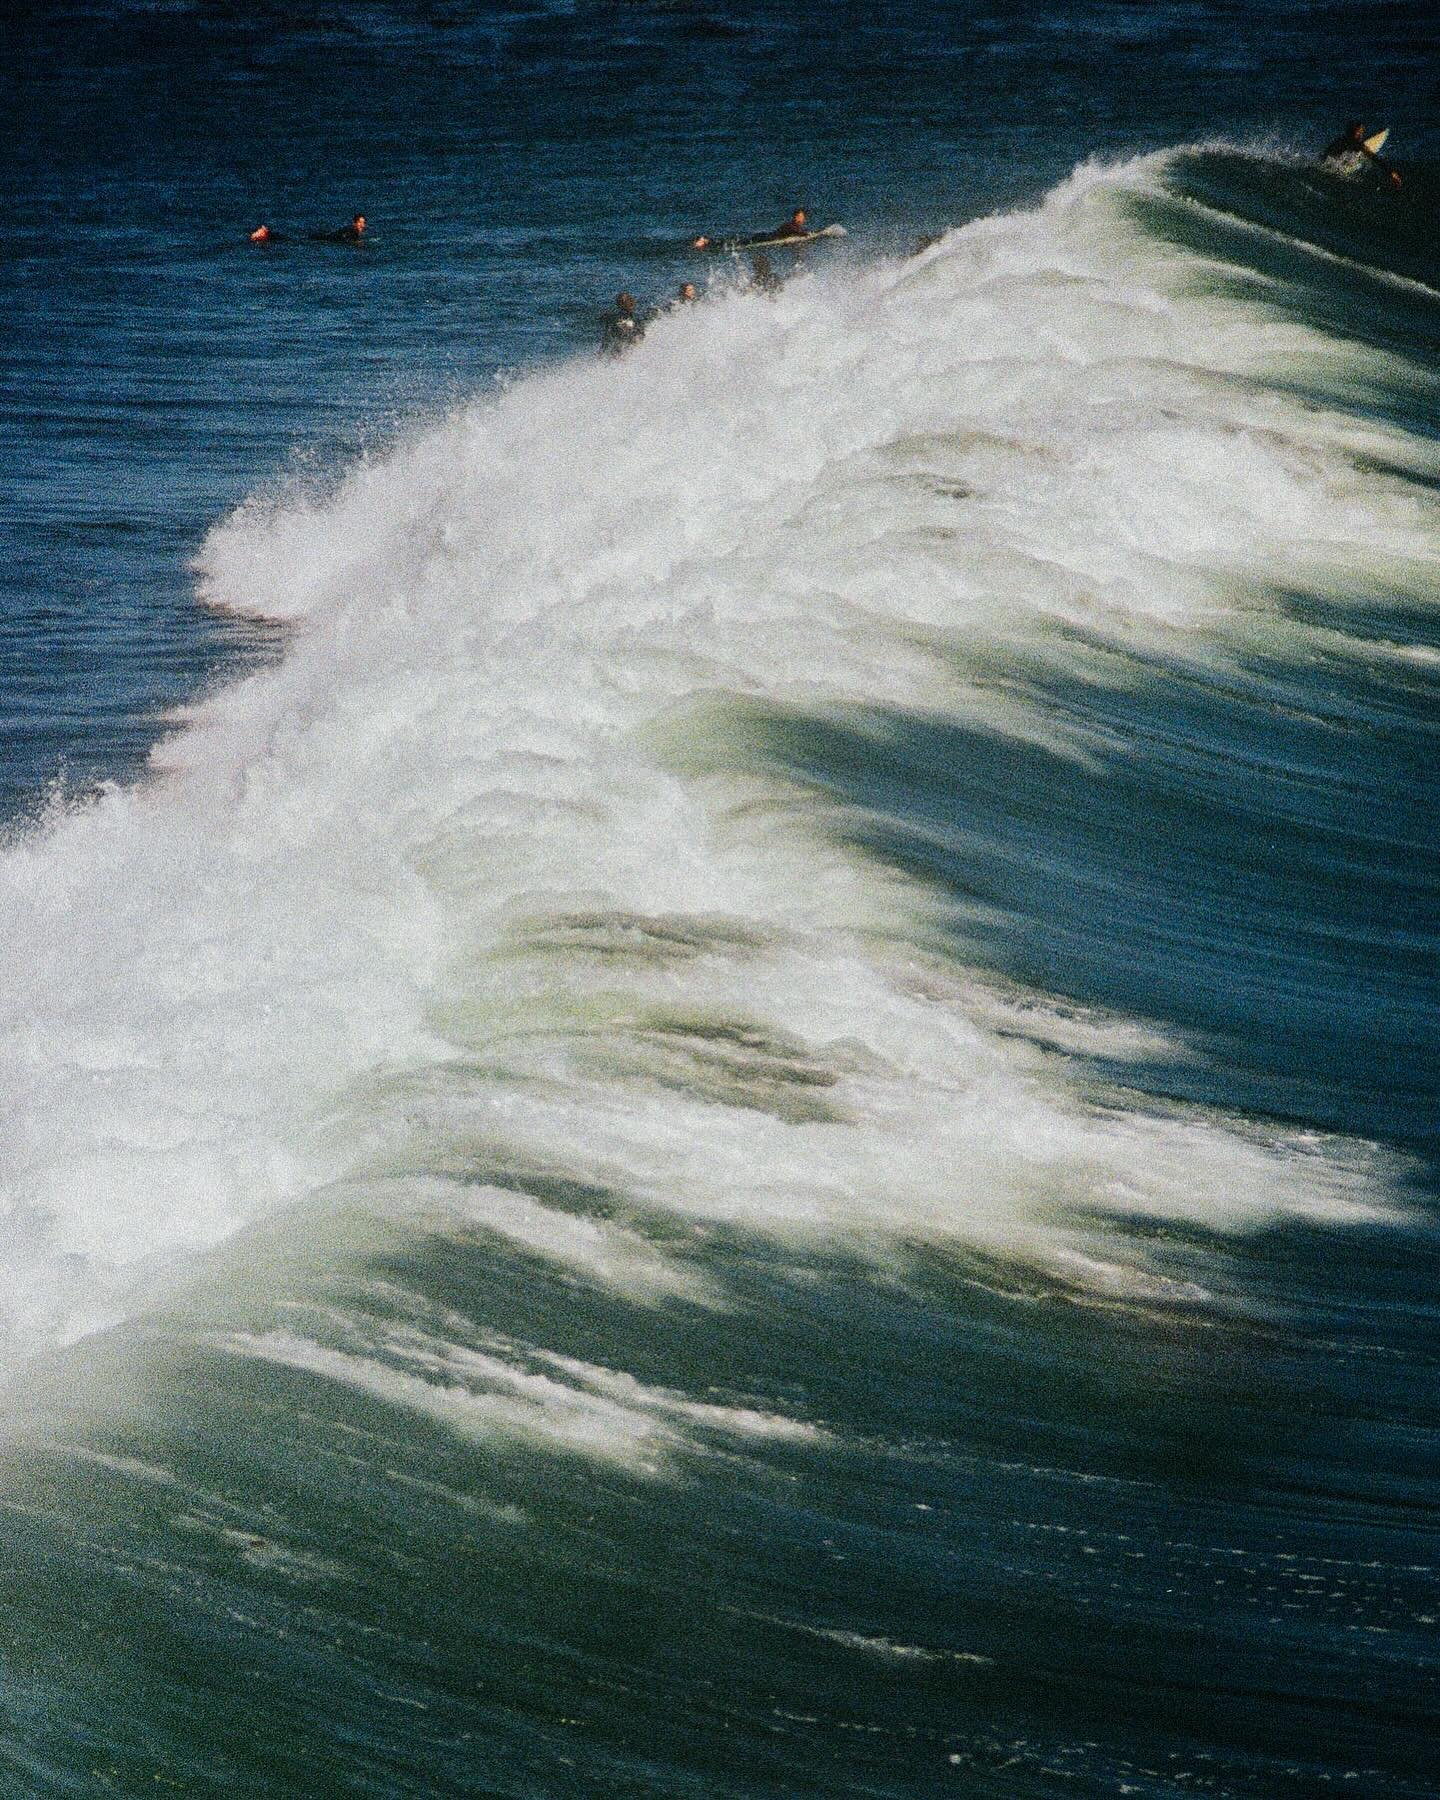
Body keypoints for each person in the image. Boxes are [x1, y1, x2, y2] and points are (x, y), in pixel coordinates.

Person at [692, 207, 812, 251]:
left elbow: (797, 233)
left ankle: (707, 241)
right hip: (763, 238)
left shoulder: (794, 226)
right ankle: (706, 241)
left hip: (764, 237)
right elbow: (796, 232)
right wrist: (808, 234)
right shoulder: (790, 225)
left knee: (736, 243)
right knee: (736, 244)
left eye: (803, 217)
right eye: (800, 216)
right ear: (795, 217)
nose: (802, 219)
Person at [1322, 123, 1401, 187]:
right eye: (1358, 132)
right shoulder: (1358, 145)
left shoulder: (1340, 140)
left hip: (1328, 169)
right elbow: (1374, 158)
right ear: (1351, 132)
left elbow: (1325, 155)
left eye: (1361, 132)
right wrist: (1391, 172)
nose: (1361, 135)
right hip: (1338, 173)